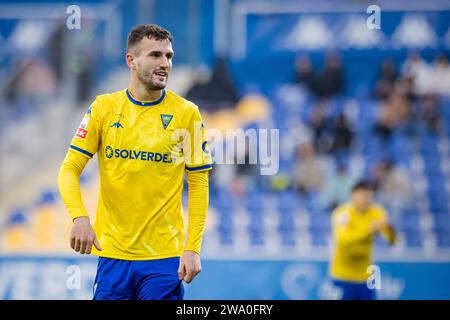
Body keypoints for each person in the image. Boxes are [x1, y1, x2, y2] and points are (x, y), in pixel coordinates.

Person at [57, 24, 213, 300]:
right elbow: (69, 169)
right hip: (112, 257)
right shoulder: (104, 109)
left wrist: (193, 248)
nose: (165, 63)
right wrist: (79, 217)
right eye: (155, 55)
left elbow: (199, 183)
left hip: (164, 259)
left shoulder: (187, 114)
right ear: (131, 60)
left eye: (169, 56)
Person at [329, 181, 396, 300]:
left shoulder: (377, 212)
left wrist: (390, 228)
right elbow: (344, 240)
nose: (366, 199)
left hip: (366, 277)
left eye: (369, 195)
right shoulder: (342, 213)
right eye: (362, 195)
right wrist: (369, 230)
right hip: (342, 275)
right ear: (353, 196)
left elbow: (392, 241)